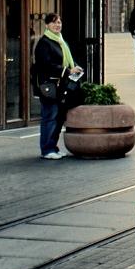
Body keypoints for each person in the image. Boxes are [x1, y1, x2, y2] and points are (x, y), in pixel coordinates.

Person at [32, 12, 82, 160]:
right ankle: (47, 150)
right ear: (47, 25)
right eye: (54, 22)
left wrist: (75, 68)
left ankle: (53, 147)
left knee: (58, 117)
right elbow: (46, 65)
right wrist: (67, 71)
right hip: (49, 87)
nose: (57, 25)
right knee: (50, 116)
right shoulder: (44, 42)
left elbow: (67, 60)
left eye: (59, 22)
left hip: (60, 86)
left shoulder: (60, 41)